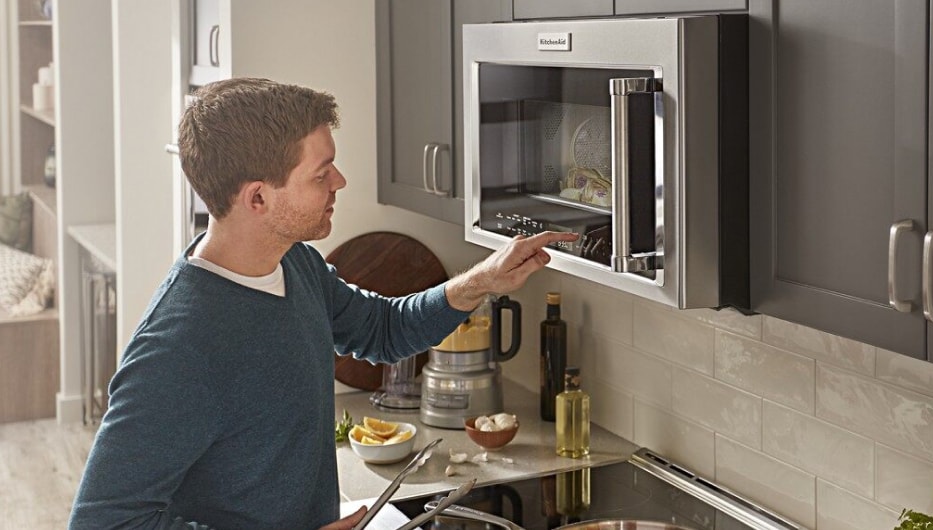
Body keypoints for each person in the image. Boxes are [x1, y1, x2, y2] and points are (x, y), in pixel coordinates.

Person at [68, 78, 578, 530]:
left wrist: (483, 280)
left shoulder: (296, 265)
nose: (339, 182)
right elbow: (105, 520)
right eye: (321, 174)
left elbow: (382, 329)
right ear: (258, 198)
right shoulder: (179, 346)